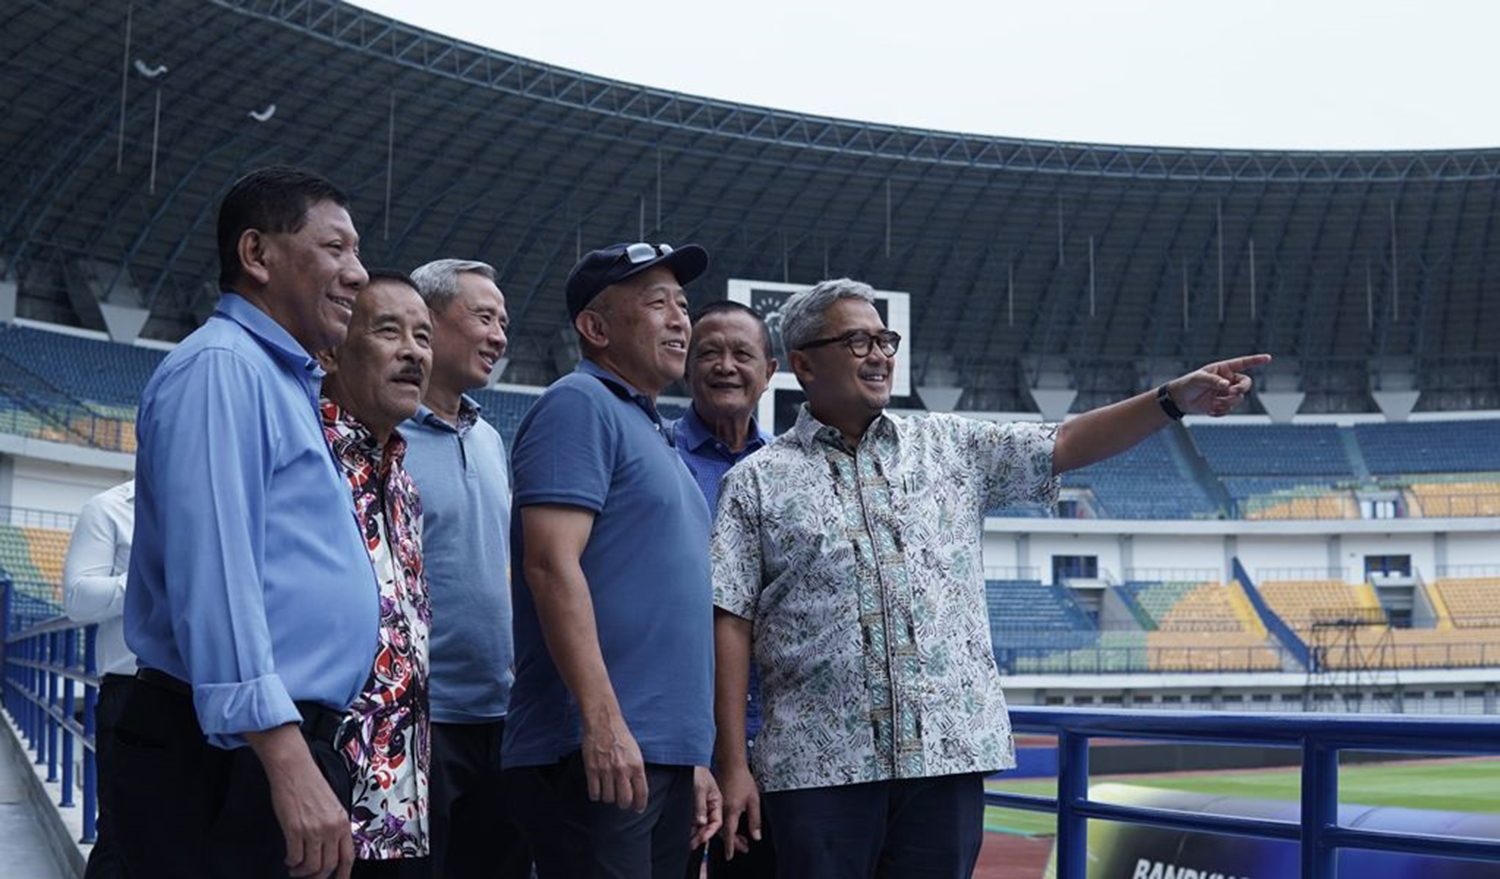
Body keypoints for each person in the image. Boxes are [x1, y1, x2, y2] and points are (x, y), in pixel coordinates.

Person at [710, 278, 1269, 877]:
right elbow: (730, 619)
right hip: (816, 769)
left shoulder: (952, 445)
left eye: (884, 340)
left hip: (945, 764)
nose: (878, 355)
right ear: (802, 364)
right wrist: (732, 764)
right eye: (856, 341)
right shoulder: (756, 480)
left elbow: (1068, 440)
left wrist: (1171, 400)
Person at [119, 165, 376, 879]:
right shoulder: (222, 369)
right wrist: (286, 756)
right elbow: (218, 576)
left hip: (263, 747)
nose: (357, 273)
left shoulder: (278, 379)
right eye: (336, 248)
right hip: (235, 757)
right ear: (257, 254)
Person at [503, 242, 722, 878]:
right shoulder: (578, 403)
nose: (682, 319)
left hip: (659, 753)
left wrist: (692, 756)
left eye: (683, 305)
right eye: (658, 305)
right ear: (595, 328)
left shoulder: (652, 431)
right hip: (597, 750)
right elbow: (548, 566)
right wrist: (602, 722)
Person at [403, 258, 530, 877]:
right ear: (427, 321)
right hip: (422, 717)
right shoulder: (382, 434)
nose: (499, 336)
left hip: (502, 715)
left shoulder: (490, 437)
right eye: (483, 317)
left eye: (503, 321)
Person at [317, 270, 435, 877]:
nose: (413, 351)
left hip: (397, 812)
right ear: (332, 347)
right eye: (388, 331)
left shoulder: (406, 485)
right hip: (313, 799)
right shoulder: (303, 456)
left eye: (423, 336)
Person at [672, 302, 777, 879]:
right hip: (675, 733)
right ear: (687, 368)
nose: (725, 366)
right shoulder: (654, 456)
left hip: (773, 741)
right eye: (708, 352)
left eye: (742, 354)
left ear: (771, 370)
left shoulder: (791, 470)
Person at [63, 479, 137, 879]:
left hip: (212, 690)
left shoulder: (218, 504)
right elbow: (76, 599)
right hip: (133, 690)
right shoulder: (108, 508)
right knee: (120, 838)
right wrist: (148, 577)